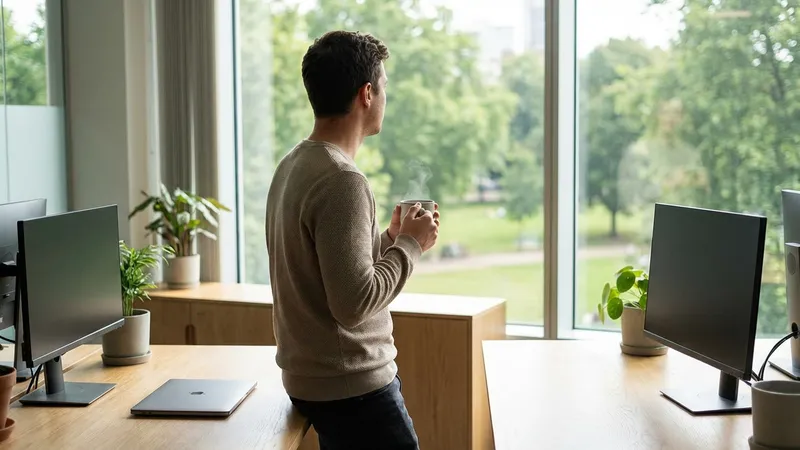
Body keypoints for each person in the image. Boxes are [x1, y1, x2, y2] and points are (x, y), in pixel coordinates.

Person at [265, 30, 440, 450]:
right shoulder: (343, 180)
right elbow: (353, 304)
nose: (384, 99)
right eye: (384, 88)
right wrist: (411, 246)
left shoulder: (294, 164)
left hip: (315, 381)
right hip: (353, 391)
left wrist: (389, 238)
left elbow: (327, 270)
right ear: (366, 93)